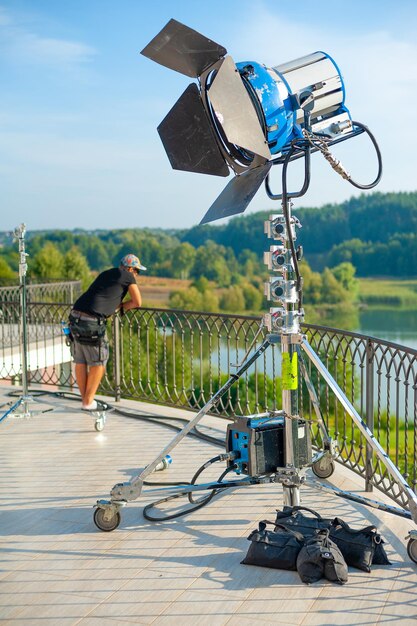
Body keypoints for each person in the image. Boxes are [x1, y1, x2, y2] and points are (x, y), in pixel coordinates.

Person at [68, 254, 146, 410]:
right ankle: (88, 402)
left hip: (75, 315)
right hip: (92, 322)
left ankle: (85, 401)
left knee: (81, 360)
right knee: (99, 362)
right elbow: (137, 301)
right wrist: (124, 306)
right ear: (130, 268)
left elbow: (103, 295)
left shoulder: (107, 273)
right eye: (137, 271)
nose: (137, 275)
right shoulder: (127, 276)